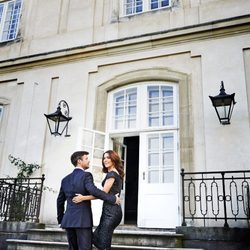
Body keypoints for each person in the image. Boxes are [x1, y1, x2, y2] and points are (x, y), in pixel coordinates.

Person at [57, 151, 121, 250]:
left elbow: (60, 201)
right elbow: (94, 191)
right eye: (86, 159)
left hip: (68, 221)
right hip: (83, 220)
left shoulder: (65, 179)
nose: (89, 161)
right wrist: (112, 198)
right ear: (79, 161)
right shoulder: (86, 175)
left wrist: (61, 220)